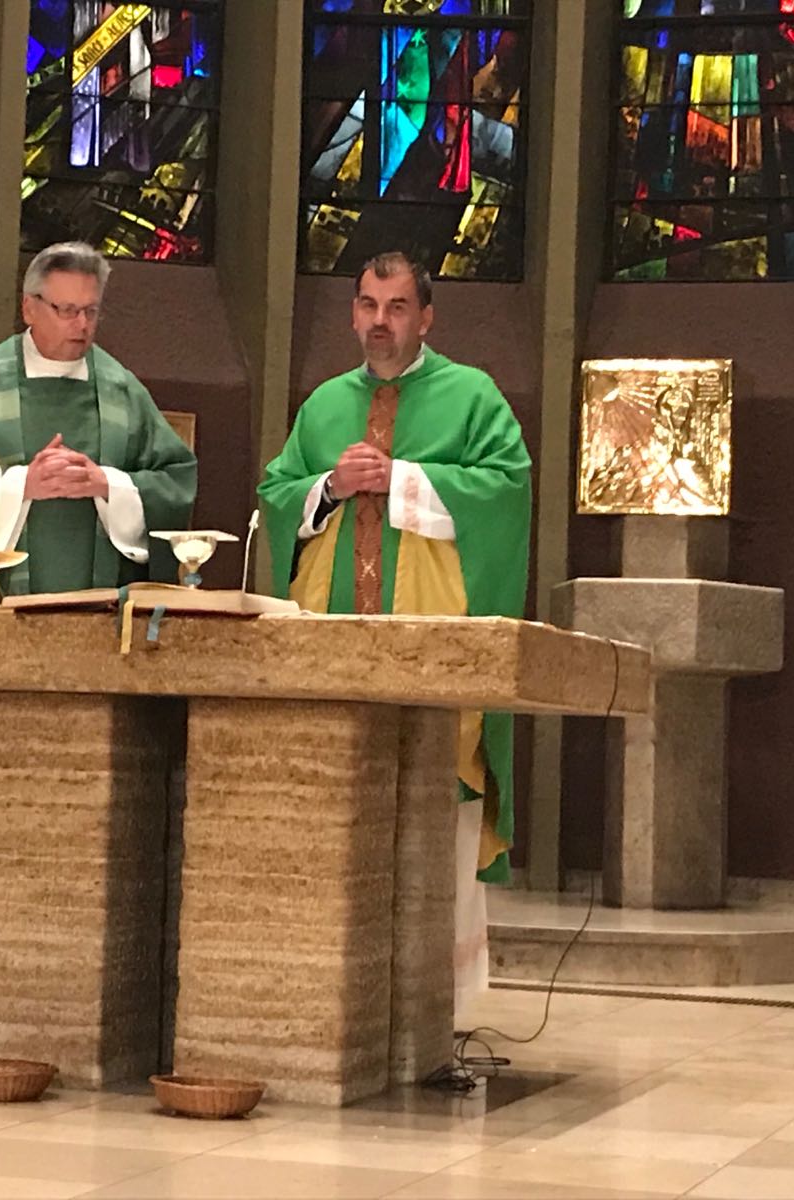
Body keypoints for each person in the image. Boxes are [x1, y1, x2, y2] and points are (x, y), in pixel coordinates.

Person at [257, 251, 532, 1019]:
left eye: (398, 307)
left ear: (426, 317)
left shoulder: (473, 396)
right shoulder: (324, 405)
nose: (381, 322)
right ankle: (327, 999)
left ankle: (433, 1013)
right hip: (335, 658)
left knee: (433, 821)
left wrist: (403, 479)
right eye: (369, 306)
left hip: (431, 658)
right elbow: (277, 495)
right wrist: (329, 486)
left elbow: (507, 489)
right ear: (353, 313)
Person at [0, 241, 197, 838]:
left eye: (91, 311)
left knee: (87, 802)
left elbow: (177, 480)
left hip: (95, 632)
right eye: (65, 310)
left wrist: (107, 484)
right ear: (28, 308)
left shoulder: (121, 389)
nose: (81, 325)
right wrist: (19, 486)